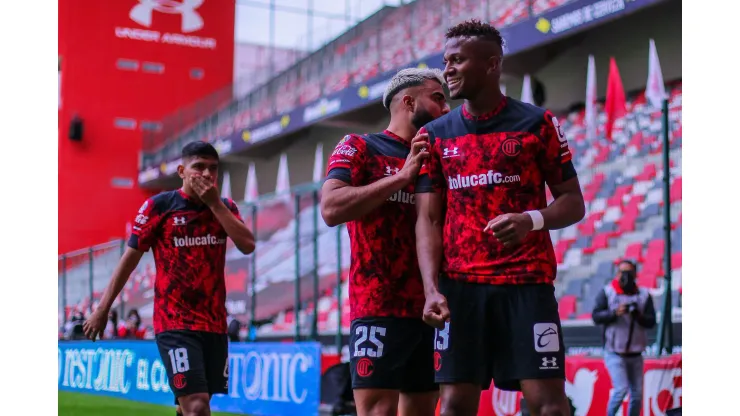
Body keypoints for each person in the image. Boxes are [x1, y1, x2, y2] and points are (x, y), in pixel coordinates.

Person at [414, 19, 586, 416]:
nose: (448, 69)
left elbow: (572, 202)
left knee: (550, 408)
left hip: (527, 285)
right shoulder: (436, 136)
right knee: (455, 406)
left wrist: (531, 219)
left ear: (492, 65)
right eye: (446, 61)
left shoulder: (537, 124)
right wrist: (430, 288)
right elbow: (429, 220)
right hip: (460, 290)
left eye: (457, 60)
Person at [83, 141, 255, 416]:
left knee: (190, 405)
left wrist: (214, 204)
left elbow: (248, 244)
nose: (207, 175)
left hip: (214, 324)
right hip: (174, 322)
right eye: (199, 167)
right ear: (181, 171)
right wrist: (103, 309)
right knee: (197, 405)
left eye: (213, 169)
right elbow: (129, 259)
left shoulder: (225, 207)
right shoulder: (159, 207)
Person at [320, 67, 450, 416]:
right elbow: (331, 209)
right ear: (408, 101)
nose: (447, 109)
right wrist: (403, 177)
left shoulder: (440, 157)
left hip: (433, 310)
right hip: (378, 307)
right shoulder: (360, 146)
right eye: (438, 98)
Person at [592, 260, 656, 416]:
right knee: (621, 390)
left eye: (629, 272)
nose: (625, 276)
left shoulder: (643, 295)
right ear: (617, 273)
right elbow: (596, 316)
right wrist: (614, 313)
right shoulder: (607, 292)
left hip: (636, 353)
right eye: (622, 272)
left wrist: (638, 315)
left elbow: (651, 321)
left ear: (635, 274)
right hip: (614, 352)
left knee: (637, 395)